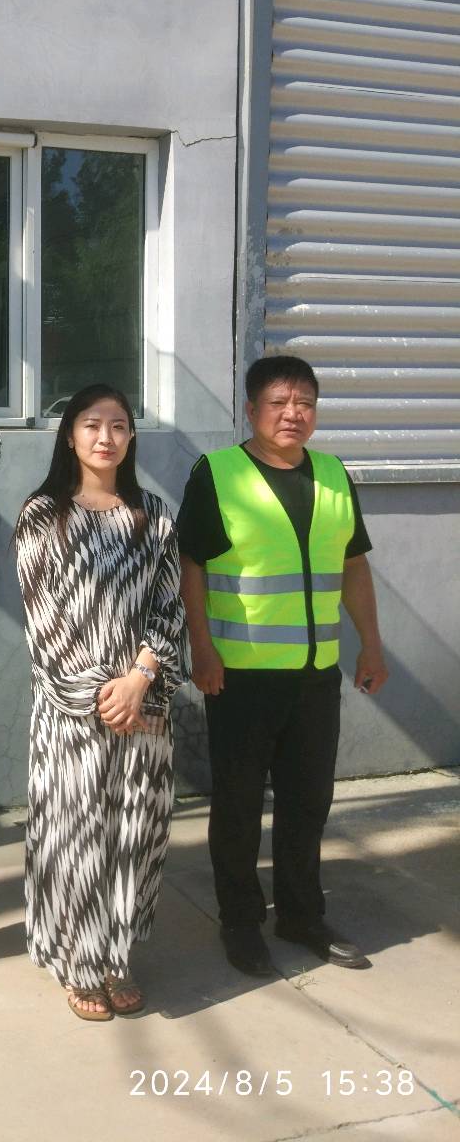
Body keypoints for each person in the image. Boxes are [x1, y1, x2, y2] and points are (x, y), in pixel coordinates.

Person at [177, 354, 387, 977]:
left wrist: (371, 643)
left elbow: (353, 565)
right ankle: (241, 922)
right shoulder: (218, 473)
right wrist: (201, 649)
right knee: (238, 805)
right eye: (279, 403)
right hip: (240, 675)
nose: (293, 414)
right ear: (251, 410)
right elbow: (192, 567)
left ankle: (301, 915)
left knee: (307, 801)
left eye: (305, 404)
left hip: (316, 675)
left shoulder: (333, 475)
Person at [14, 383, 187, 1021]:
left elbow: (171, 608)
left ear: (131, 437)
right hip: (72, 717)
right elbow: (43, 620)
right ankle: (78, 963)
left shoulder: (155, 516)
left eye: (117, 425)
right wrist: (100, 694)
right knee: (76, 834)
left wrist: (139, 680)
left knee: (134, 835)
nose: (105, 437)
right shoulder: (43, 515)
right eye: (92, 424)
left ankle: (116, 959)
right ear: (70, 436)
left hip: (143, 709)